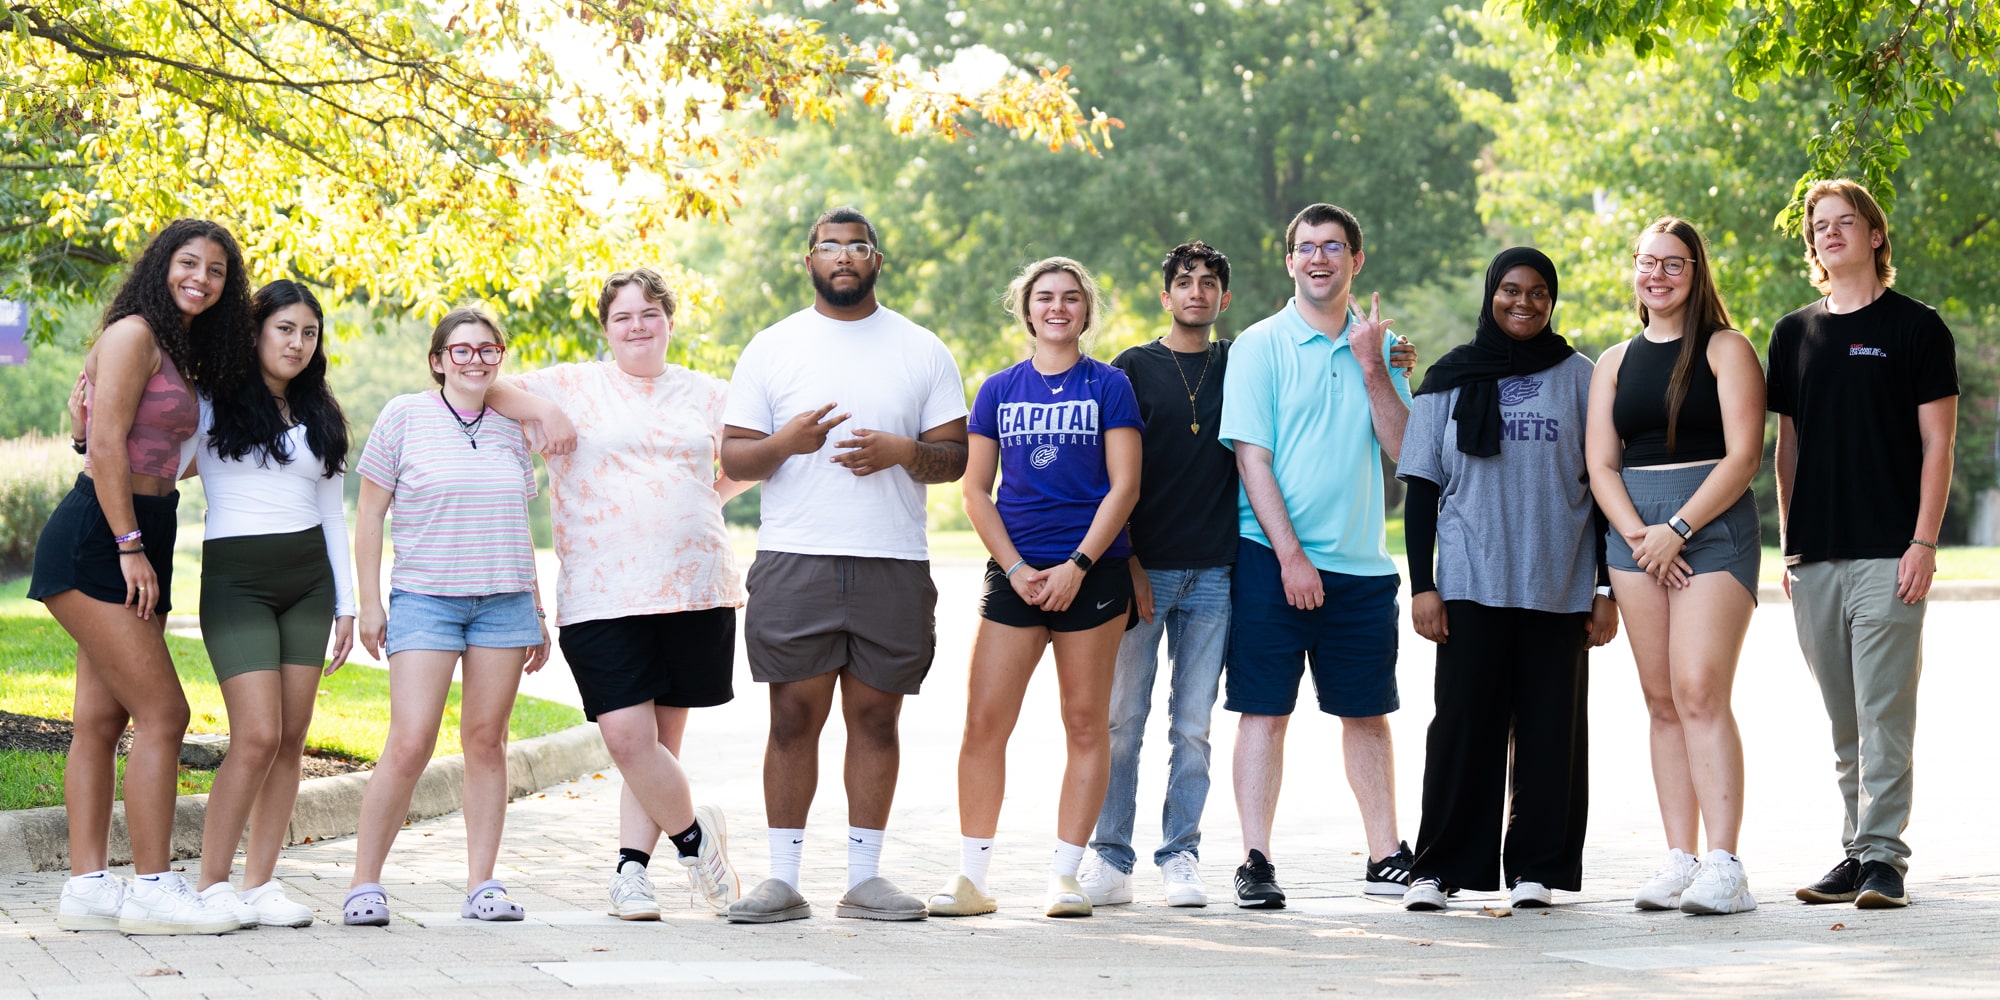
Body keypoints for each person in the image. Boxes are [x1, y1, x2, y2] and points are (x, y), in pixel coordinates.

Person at [1075, 241, 1419, 909]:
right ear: (1165, 293)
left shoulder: (1245, 356)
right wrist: (1130, 563)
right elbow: (1108, 476)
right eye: (1184, 283)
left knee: (1194, 726)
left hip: (1216, 572)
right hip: (1153, 571)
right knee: (1124, 719)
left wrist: (1390, 359)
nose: (1196, 293)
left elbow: (1380, 415)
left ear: (1224, 299)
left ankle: (1182, 857)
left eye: (1209, 284)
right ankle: (1111, 857)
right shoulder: (1133, 369)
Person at [720, 207, 968, 923]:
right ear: (809, 261)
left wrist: (900, 452)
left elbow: (955, 458)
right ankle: (783, 879)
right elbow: (735, 457)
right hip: (796, 557)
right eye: (830, 246)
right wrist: (785, 444)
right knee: (793, 717)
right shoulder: (772, 347)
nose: (844, 257)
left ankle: (864, 879)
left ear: (877, 259)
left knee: (876, 719)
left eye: (858, 245)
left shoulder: (922, 349)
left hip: (891, 558)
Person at [485, 268, 744, 917]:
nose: (637, 326)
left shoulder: (707, 393)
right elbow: (480, 386)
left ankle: (632, 873)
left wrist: (706, 499)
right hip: (601, 591)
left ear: (670, 321)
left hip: (694, 586)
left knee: (659, 749)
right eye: (623, 316)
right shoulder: (571, 384)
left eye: (649, 314)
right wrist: (541, 409)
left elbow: (754, 457)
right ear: (606, 327)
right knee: (628, 739)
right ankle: (695, 839)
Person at [38, 219, 249, 936]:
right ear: (161, 265)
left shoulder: (185, 351)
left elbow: (154, 444)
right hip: (102, 536)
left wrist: (142, 541)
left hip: (147, 529)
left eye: (217, 270)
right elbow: (103, 445)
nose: (202, 278)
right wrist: (129, 546)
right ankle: (154, 886)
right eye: (188, 262)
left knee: (101, 720)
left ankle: (87, 889)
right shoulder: (134, 333)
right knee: (165, 714)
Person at [1398, 248, 1619, 912]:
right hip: (1469, 582)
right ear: (1491, 293)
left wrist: (1605, 588)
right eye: (1511, 291)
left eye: (1538, 294)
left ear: (1553, 302)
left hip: (1559, 582)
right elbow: (1421, 490)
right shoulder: (1448, 376)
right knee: (1463, 729)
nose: (1523, 303)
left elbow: (1607, 487)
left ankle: (1537, 868)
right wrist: (1422, 586)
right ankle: (1439, 868)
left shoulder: (1581, 376)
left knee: (1552, 732)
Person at [928, 257, 1142, 919]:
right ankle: (971, 878)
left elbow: (1125, 487)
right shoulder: (997, 389)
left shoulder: (1109, 386)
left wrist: (1078, 565)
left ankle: (1064, 876)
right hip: (1015, 575)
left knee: (1085, 724)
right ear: (1025, 310)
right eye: (1044, 298)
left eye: (1070, 298)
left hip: (1093, 573)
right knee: (984, 726)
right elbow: (973, 490)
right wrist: (1018, 569)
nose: (1057, 308)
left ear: (1085, 311)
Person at [1217, 203, 1415, 909]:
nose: (1319, 258)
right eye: (1306, 247)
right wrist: (1292, 556)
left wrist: (1372, 366)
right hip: (1272, 559)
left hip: (1362, 565)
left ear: (1356, 261)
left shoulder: (1385, 349)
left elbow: (1403, 450)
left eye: (1334, 247)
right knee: (1264, 712)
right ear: (1290, 261)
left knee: (1366, 713)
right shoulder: (1259, 345)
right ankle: (1255, 859)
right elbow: (1252, 458)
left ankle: (1386, 854)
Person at [1771, 180, 1958, 911]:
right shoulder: (1793, 333)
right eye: (1820, 226)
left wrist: (1924, 541)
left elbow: (1938, 443)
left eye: (1846, 222)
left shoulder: (1918, 327)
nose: (1831, 233)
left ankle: (1884, 857)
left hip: (1890, 550)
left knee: (1884, 710)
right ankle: (1856, 850)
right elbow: (1785, 448)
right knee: (1843, 715)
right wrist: (1789, 547)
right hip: (1814, 555)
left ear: (1876, 236)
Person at [344, 306, 551, 926]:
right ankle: (363, 884)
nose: (475, 360)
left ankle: (482, 885)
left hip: (504, 603)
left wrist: (537, 607)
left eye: (488, 350)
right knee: (409, 742)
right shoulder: (404, 415)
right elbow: (369, 516)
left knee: (488, 743)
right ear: (438, 360)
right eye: (461, 350)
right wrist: (370, 602)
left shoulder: (513, 426)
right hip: (426, 600)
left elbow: (518, 520)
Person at [1585, 217, 1765, 915]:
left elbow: (1744, 455)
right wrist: (1639, 536)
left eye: (1673, 264)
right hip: (1634, 535)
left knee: (1698, 691)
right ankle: (1679, 858)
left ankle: (1726, 865)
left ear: (1697, 272)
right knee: (1660, 700)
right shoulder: (1613, 362)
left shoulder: (1726, 348)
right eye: (1646, 263)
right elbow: (1601, 463)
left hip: (1711, 530)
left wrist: (1679, 528)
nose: (1656, 276)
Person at [187, 280, 355, 929]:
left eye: (309, 332)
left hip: (309, 584)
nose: (297, 342)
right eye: (285, 328)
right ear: (257, 331)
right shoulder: (212, 403)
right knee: (255, 734)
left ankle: (260, 885)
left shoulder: (323, 415)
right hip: (238, 584)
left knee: (289, 738)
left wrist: (346, 603)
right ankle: (211, 884)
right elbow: (156, 457)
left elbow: (332, 515)